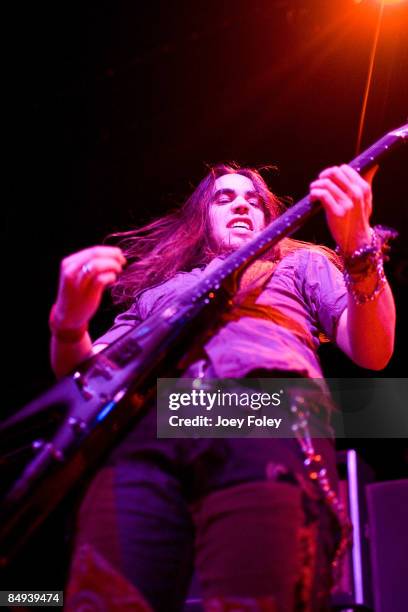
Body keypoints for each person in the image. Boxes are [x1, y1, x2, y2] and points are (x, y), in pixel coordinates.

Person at [49, 163, 395, 611]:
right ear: (203, 216)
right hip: (155, 423)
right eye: (224, 197)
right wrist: (67, 323)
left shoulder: (298, 262)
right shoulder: (158, 292)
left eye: (253, 200)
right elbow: (87, 374)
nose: (241, 205)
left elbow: (375, 350)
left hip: (263, 411)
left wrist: (357, 243)